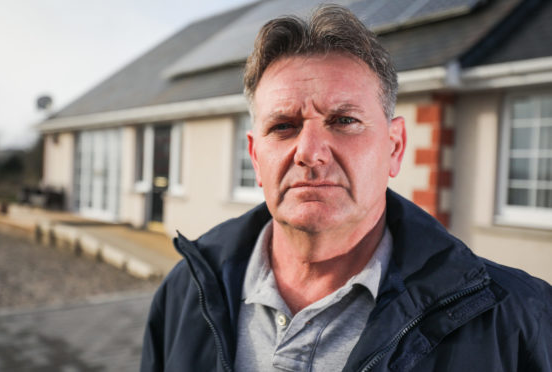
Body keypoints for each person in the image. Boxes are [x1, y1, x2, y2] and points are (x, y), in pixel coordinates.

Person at [141, 5, 551, 372]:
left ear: (395, 148)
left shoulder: (520, 322)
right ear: (255, 157)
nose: (310, 153)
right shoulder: (185, 293)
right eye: (283, 126)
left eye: (344, 121)